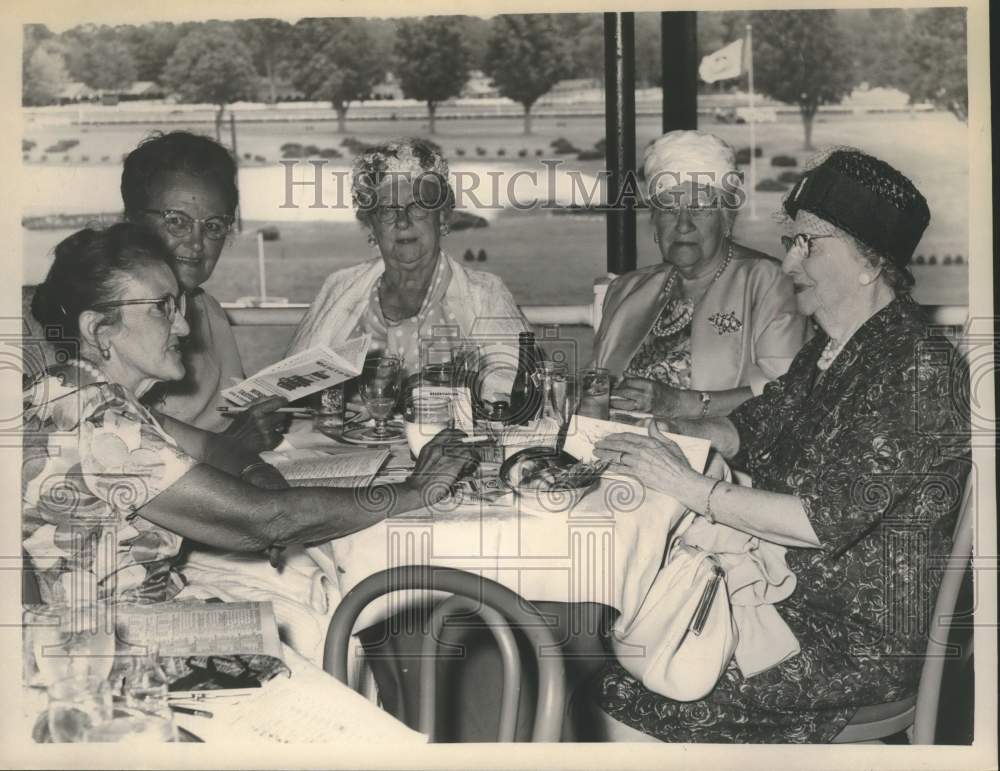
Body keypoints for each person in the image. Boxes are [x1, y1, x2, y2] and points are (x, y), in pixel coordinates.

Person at [589, 148, 970, 742]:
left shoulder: (918, 366)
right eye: (790, 241)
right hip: (784, 592)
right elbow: (746, 430)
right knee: (626, 652)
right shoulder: (830, 347)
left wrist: (687, 485)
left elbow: (816, 521)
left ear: (869, 262)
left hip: (851, 638)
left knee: (633, 688)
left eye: (807, 244)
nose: (789, 261)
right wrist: (649, 436)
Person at [22, 224, 476, 607]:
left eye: (178, 305)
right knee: (344, 610)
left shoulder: (70, 393)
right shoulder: (102, 423)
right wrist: (416, 490)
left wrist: (260, 479)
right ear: (99, 328)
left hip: (125, 617)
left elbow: (216, 447)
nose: (182, 325)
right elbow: (264, 522)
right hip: (117, 647)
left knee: (322, 600)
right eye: (162, 308)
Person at [286, 138, 530, 395]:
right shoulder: (339, 287)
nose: (402, 222)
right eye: (388, 210)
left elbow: (517, 389)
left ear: (443, 218)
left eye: (418, 207)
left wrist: (442, 385)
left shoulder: (486, 294)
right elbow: (288, 387)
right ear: (371, 226)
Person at [593, 130, 809, 419]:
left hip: (717, 456)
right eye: (669, 208)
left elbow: (789, 393)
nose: (683, 224)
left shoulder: (767, 282)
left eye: (699, 207)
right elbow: (593, 388)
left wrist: (682, 404)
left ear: (727, 219)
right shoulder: (626, 289)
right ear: (654, 224)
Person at [121, 131, 285, 449]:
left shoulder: (206, 310)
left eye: (212, 226)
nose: (197, 244)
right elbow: (126, 448)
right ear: (132, 220)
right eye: (177, 221)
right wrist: (233, 444)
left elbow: (231, 414)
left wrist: (257, 419)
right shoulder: (111, 320)